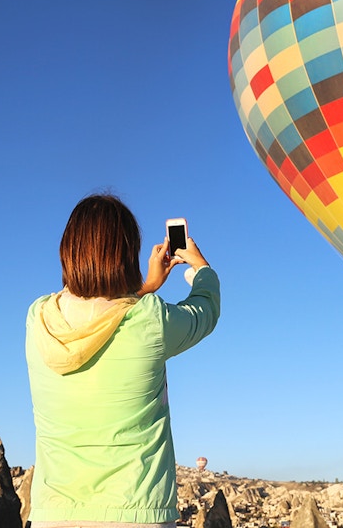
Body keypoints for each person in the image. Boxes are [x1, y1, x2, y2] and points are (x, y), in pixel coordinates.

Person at [25, 194, 219, 528]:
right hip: (136, 513)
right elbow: (205, 311)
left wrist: (146, 288)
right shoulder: (150, 319)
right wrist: (200, 268)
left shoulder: (39, 318)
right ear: (127, 255)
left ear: (67, 250)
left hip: (54, 514)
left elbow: (100, 318)